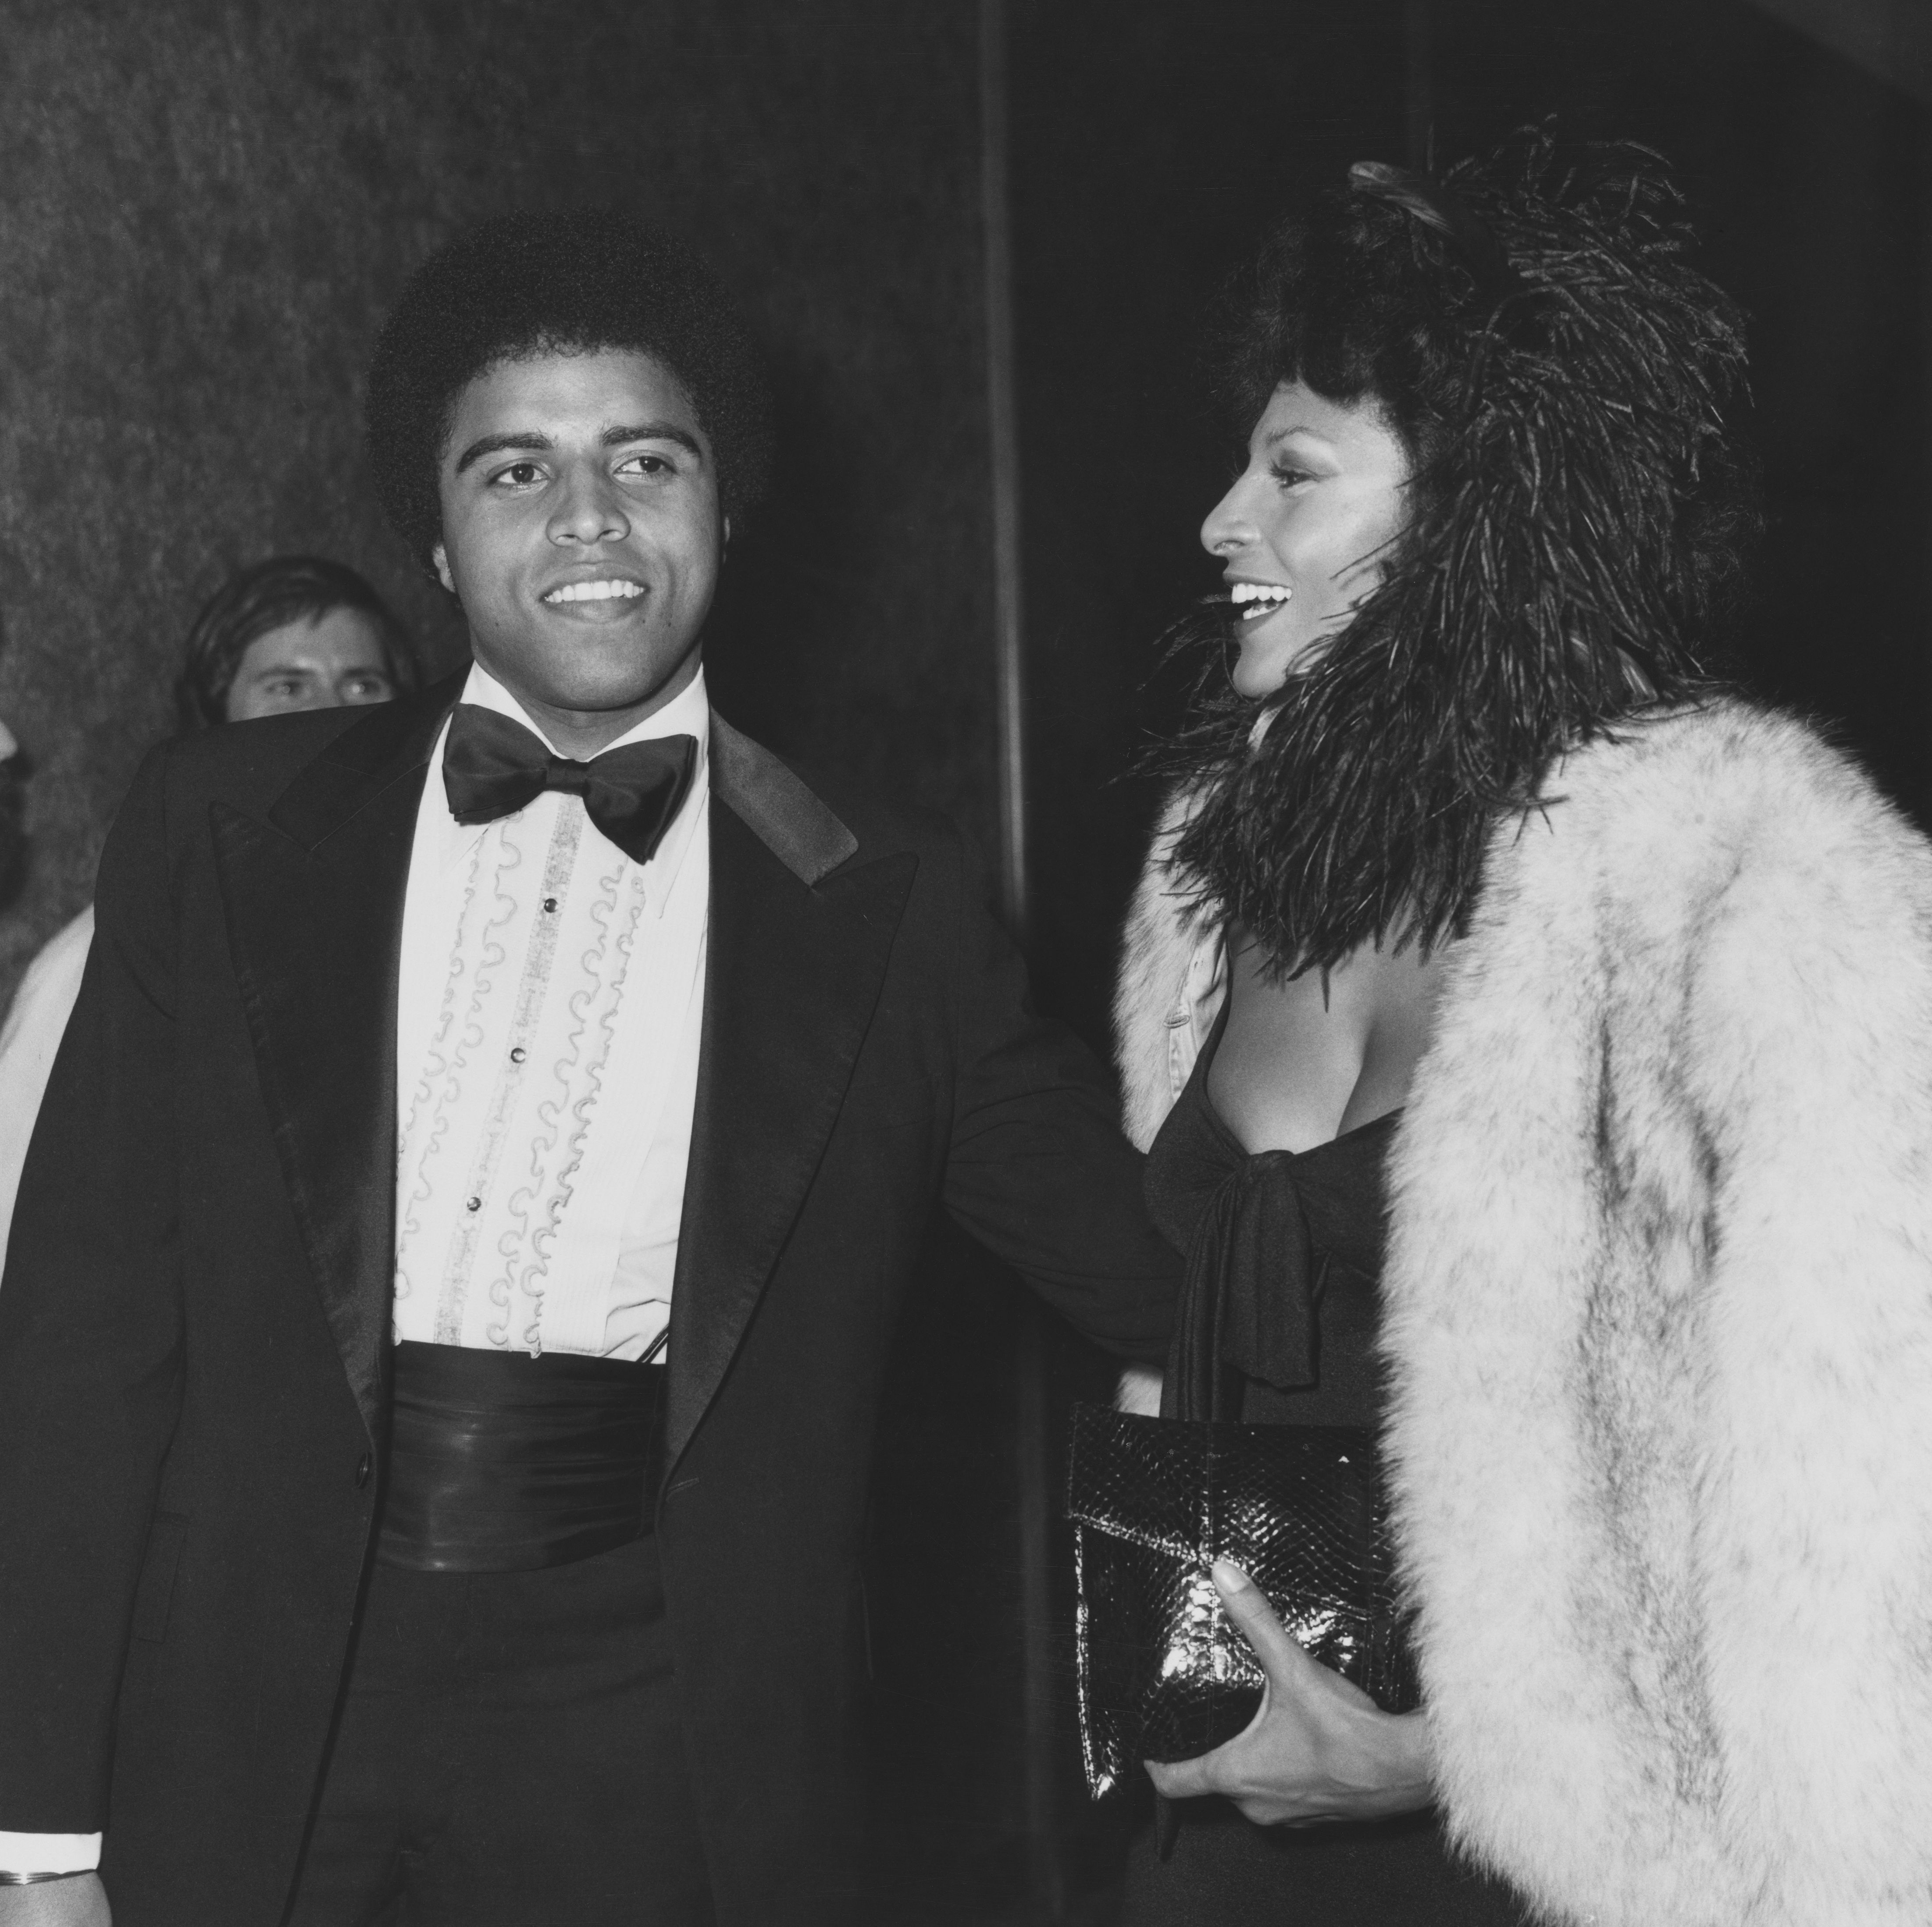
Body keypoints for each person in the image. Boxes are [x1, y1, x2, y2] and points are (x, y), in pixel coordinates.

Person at [0, 211, 1178, 1927]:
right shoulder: (221, 829)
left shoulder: (882, 911)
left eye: (644, 458)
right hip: (247, 1715)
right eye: (515, 471)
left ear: (726, 502)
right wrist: (36, 1838)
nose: (589, 521)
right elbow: (83, 1347)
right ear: (434, 529)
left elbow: (1155, 1268)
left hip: (663, 1736)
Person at [1110, 136, 1932, 1924]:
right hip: (1218, 1841)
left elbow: (1868, 1531)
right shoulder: (1212, 871)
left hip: (1583, 1869)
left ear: (1478, 500)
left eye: (1292, 472)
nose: (1219, 522)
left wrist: (1436, 1759)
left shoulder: (1749, 886)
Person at [0, 556, 414, 1268]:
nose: (331, 714)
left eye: (361, 685)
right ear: (212, 719)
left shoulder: (443, 921)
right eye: (287, 685)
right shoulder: (112, 956)